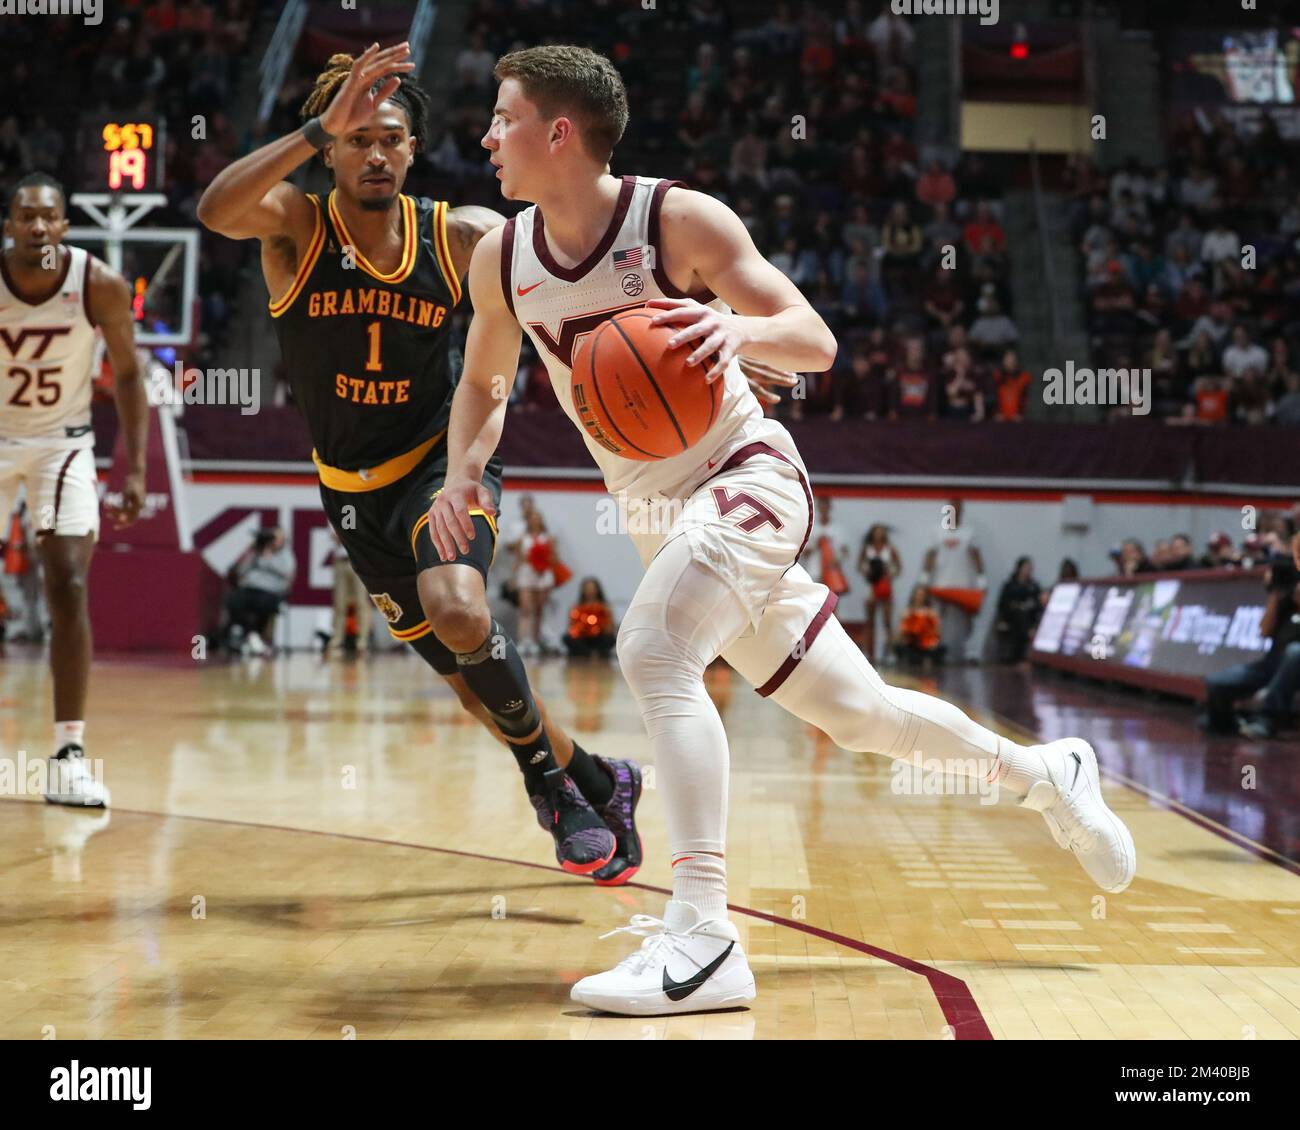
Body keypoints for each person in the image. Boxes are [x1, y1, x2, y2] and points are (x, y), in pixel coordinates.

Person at [430, 44, 1135, 1016]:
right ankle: (1044, 775)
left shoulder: (674, 219)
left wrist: (736, 333)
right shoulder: (501, 257)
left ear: (559, 132)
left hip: (747, 475)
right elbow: (481, 382)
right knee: (856, 715)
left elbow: (814, 338)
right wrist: (464, 470)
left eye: (502, 118)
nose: (486, 136)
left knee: (654, 648)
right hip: (659, 514)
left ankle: (704, 932)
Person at [196, 43, 639, 881]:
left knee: (460, 609)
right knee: (472, 685)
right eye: (355, 138)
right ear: (330, 148)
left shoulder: (463, 234)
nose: (374, 153)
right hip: (352, 494)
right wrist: (309, 130)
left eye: (389, 137)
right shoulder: (295, 224)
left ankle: (550, 789)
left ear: (412, 148)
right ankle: (599, 776)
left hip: (443, 461)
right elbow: (216, 209)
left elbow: (577, 278)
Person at [1, 173, 148, 808]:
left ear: (64, 225)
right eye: (26, 217)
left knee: (68, 580)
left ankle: (67, 756)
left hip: (63, 441)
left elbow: (132, 376)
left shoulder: (98, 284)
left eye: (48, 217)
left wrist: (133, 468)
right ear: (9, 224)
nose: (37, 227)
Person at [1202, 532, 1300, 739]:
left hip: (1294, 666)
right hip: (1271, 664)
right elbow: (1264, 631)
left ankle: (1267, 720)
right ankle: (1224, 724)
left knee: (1295, 652)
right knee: (1216, 681)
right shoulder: (1288, 595)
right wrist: (1276, 593)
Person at [921, 498, 986, 664]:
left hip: (964, 584)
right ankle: (935, 649)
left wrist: (981, 580)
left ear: (961, 512)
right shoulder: (937, 531)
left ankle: (971, 653)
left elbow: (976, 555)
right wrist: (924, 578)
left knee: (969, 619)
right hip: (940, 584)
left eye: (957, 509)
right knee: (936, 618)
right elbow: (930, 555)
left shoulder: (969, 532)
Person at [224, 526, 295, 655]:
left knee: (263, 603)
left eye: (278, 539)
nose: (275, 541)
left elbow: (287, 573)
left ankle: (254, 635)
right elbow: (241, 571)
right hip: (250, 588)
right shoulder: (256, 552)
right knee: (233, 600)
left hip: (271, 591)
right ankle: (249, 635)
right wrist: (252, 552)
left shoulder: (286, 555)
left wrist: (269, 558)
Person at [516, 506, 559, 656]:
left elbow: (555, 558)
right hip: (527, 572)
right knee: (525, 609)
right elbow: (518, 558)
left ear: (541, 521)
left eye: (538, 518)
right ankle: (523, 641)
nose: (535, 521)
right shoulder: (523, 537)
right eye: (532, 518)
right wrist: (514, 578)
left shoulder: (549, 538)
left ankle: (534, 641)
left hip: (543, 574)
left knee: (539, 610)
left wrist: (543, 558)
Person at [856, 523, 900, 662]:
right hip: (872, 587)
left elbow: (898, 566)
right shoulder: (867, 549)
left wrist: (890, 575)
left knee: (887, 622)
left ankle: (890, 653)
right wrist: (867, 573)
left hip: (885, 586)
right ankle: (870, 653)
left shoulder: (889, 549)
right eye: (876, 532)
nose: (878, 535)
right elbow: (859, 565)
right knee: (870, 622)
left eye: (881, 532)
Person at [328, 527, 372, 654]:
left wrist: (345, 534)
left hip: (358, 560)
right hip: (341, 561)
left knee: (361, 602)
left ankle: (362, 640)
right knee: (339, 602)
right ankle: (337, 639)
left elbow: (361, 533)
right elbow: (334, 535)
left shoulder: (359, 509)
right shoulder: (334, 508)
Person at [995, 556, 1042, 664]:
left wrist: (1028, 605)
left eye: (1030, 568)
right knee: (1019, 615)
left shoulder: (1034, 586)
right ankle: (1020, 656)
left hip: (1030, 617)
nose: (1028, 570)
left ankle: (1022, 657)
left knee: (1024, 616)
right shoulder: (1010, 585)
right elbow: (1003, 604)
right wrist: (1017, 606)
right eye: (1026, 567)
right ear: (1019, 568)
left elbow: (1038, 603)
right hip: (1012, 617)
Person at [564, 577, 616, 659]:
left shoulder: (605, 607)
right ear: (583, 590)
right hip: (582, 637)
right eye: (587, 588)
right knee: (567, 638)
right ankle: (588, 653)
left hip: (599, 636)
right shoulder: (576, 608)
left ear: (597, 589)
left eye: (592, 588)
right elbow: (571, 628)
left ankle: (597, 653)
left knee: (611, 638)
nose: (590, 591)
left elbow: (610, 628)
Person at [895, 585, 944, 668]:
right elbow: (901, 630)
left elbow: (937, 631)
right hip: (911, 642)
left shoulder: (931, 613)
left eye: (921, 595)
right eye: (917, 595)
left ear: (925, 597)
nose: (919, 597)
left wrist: (934, 641)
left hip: (926, 644)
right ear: (914, 596)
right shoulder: (907, 612)